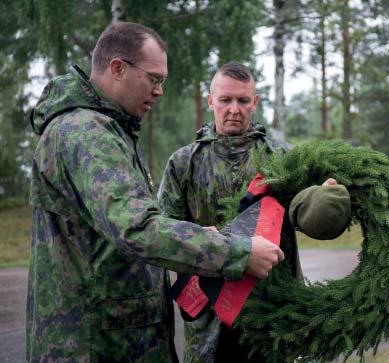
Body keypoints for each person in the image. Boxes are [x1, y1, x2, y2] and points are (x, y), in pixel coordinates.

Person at [26, 23, 284, 363]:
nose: (160, 90)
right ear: (118, 68)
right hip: (95, 344)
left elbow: (128, 226)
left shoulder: (109, 130)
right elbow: (139, 229)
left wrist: (197, 234)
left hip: (117, 338)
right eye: (154, 78)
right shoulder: (85, 134)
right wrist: (237, 252)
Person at [158, 62, 351, 362]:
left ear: (255, 102)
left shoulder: (282, 159)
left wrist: (324, 196)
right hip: (209, 323)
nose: (234, 109)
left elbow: (305, 211)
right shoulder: (185, 163)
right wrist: (197, 238)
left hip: (271, 319)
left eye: (243, 100)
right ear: (210, 101)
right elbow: (163, 232)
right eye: (225, 100)